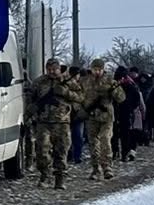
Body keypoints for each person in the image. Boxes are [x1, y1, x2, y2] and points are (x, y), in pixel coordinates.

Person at [31, 58, 77, 188]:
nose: (51, 72)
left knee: (61, 151)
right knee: (42, 150)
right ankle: (45, 176)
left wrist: (66, 93)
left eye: (54, 69)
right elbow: (30, 97)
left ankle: (60, 178)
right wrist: (32, 111)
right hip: (43, 122)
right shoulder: (39, 82)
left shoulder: (67, 81)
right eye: (49, 70)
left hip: (62, 122)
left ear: (59, 69)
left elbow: (80, 97)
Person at [79, 58, 122, 180]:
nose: (97, 72)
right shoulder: (85, 81)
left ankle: (107, 167)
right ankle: (95, 168)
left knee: (105, 140)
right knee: (93, 143)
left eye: (99, 69)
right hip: (91, 116)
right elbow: (79, 96)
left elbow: (121, 98)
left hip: (106, 116)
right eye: (95, 69)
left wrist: (114, 90)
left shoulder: (109, 81)